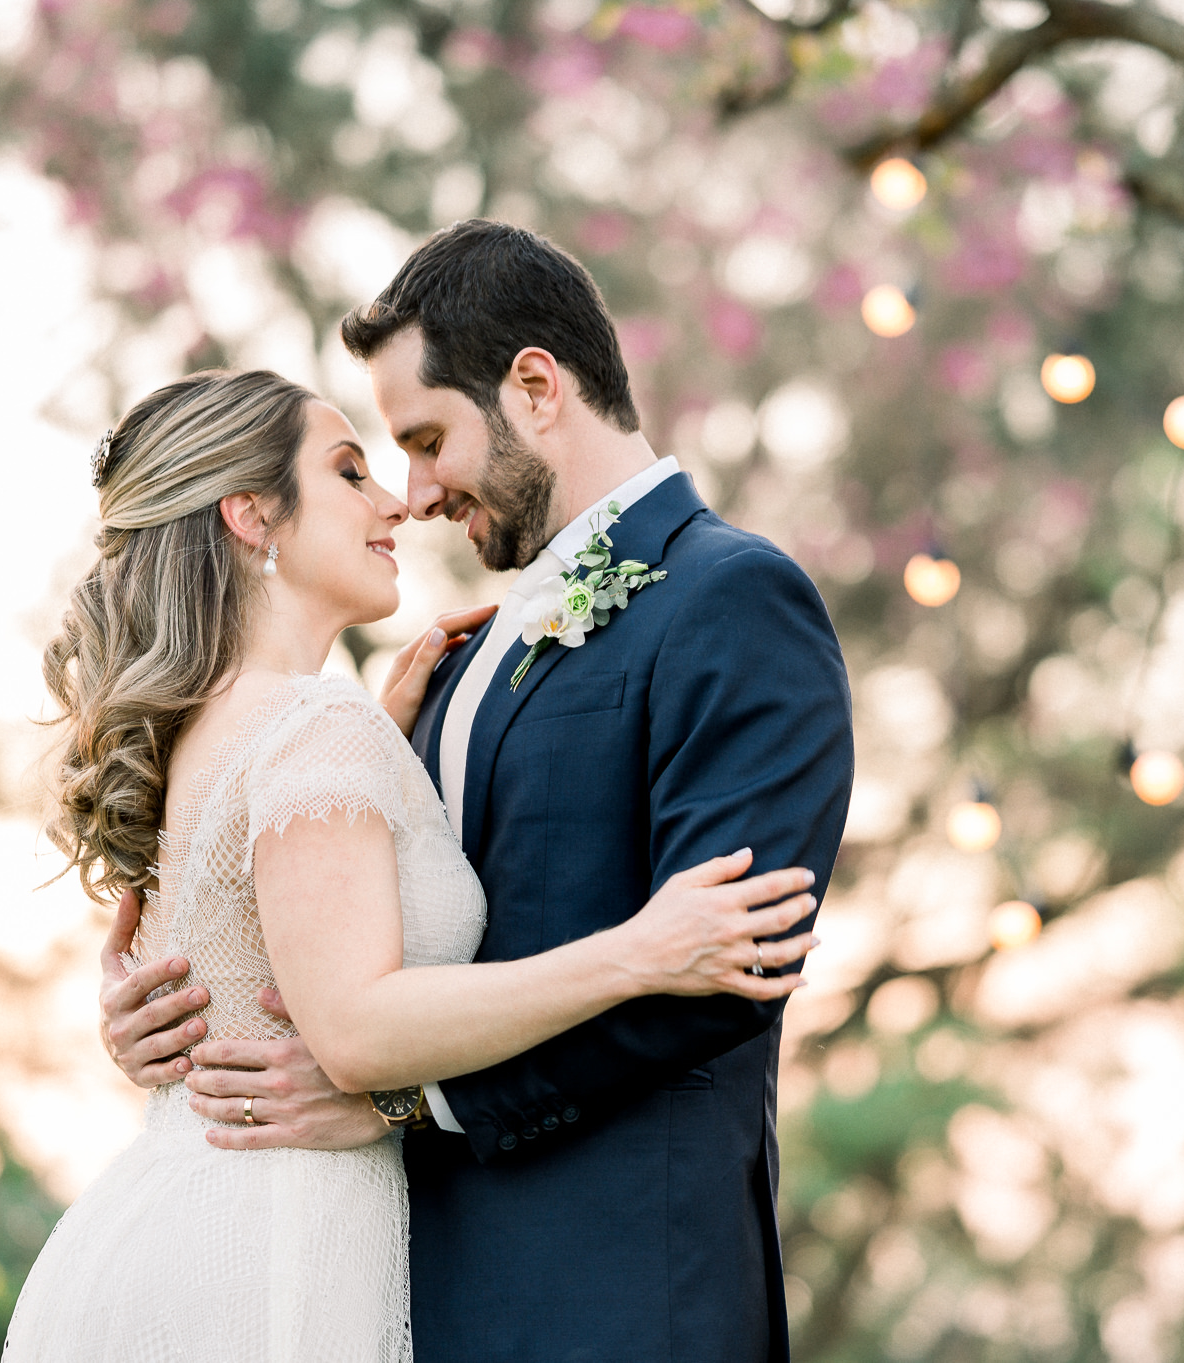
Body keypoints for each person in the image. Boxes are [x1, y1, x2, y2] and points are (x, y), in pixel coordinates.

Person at [99, 221, 856, 1362]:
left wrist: (410, 1102)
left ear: (536, 388)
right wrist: (165, 998)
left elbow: (723, 970)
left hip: (614, 1295)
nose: (414, 492)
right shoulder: (444, 670)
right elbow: (343, 930)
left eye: (425, 439)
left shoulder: (733, 598)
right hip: (401, 1292)